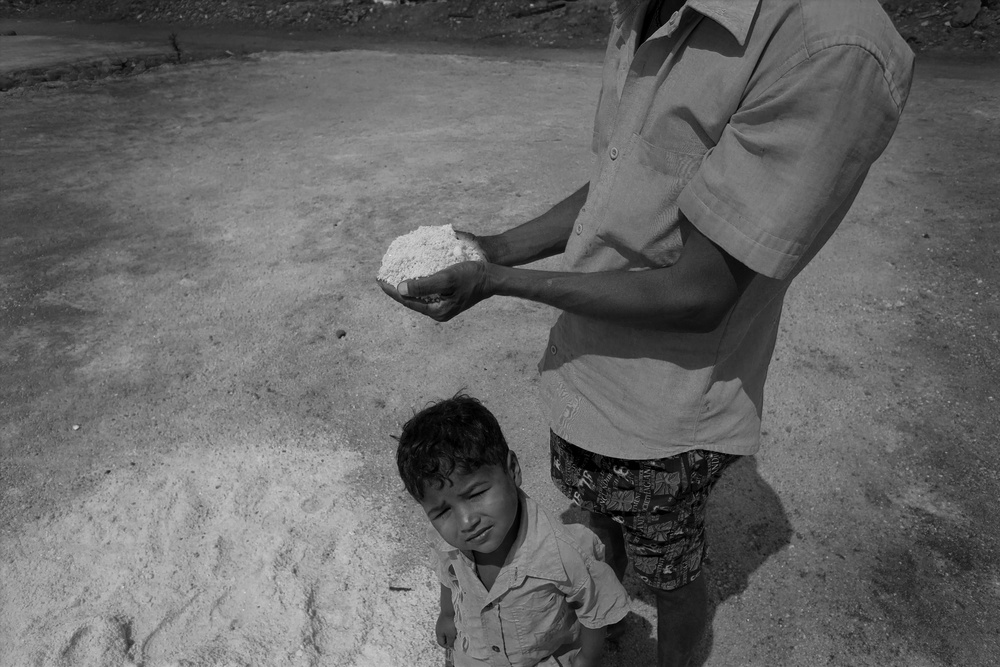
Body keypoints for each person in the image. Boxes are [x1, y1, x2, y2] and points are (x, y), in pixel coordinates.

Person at [380, 1, 914, 665]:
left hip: (669, 420)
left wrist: (496, 283)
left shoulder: (826, 43)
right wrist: (492, 248)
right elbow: (624, 183)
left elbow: (699, 292)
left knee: (673, 578)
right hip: (584, 377)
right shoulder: (643, 8)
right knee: (597, 526)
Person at [396, 395, 630, 667]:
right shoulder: (449, 542)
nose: (465, 522)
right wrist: (447, 614)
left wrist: (587, 658)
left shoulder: (564, 551)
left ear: (513, 469)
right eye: (442, 512)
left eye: (476, 494)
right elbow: (449, 575)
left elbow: (595, 606)